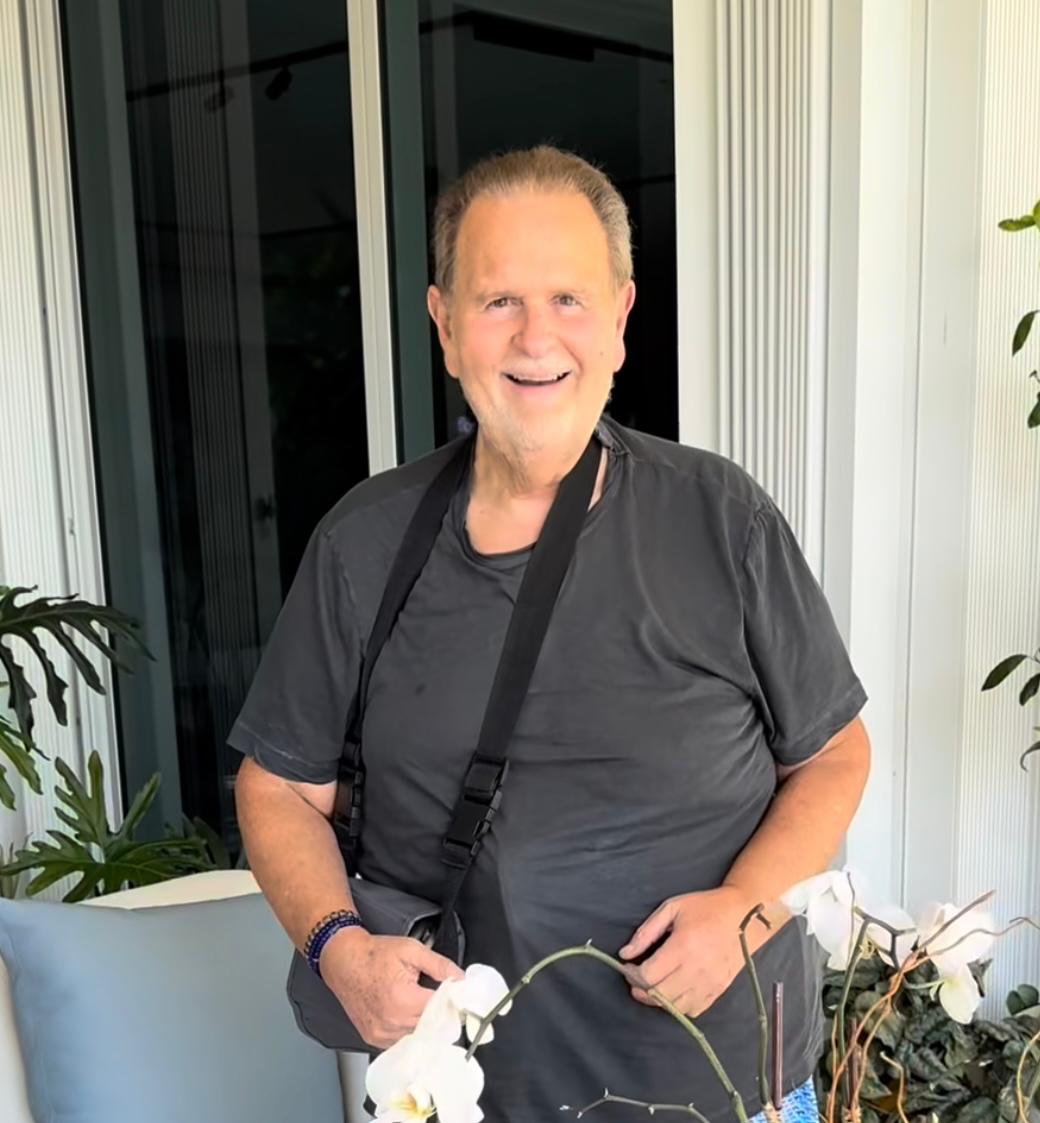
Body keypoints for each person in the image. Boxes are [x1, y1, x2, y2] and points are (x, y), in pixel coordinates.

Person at [231, 145, 870, 1122]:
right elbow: (278, 786)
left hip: (729, 1089)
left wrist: (742, 914)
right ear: (446, 327)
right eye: (499, 301)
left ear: (619, 319)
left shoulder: (721, 519)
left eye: (569, 298)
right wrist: (338, 949)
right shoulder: (363, 546)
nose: (537, 338)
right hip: (465, 1096)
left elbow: (833, 753)